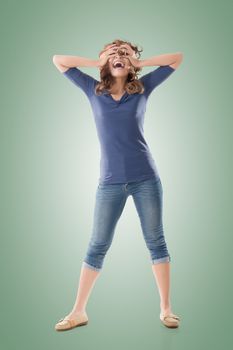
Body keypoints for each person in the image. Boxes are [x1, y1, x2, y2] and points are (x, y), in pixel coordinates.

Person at [53, 39, 183, 330]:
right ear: (104, 62)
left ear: (133, 62)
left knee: (156, 242)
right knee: (97, 245)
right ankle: (78, 312)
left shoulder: (143, 88)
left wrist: (139, 63)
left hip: (146, 178)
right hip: (109, 182)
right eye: (113, 53)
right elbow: (58, 59)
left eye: (125, 53)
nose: (119, 56)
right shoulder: (92, 90)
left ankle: (166, 309)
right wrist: (96, 61)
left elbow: (176, 57)